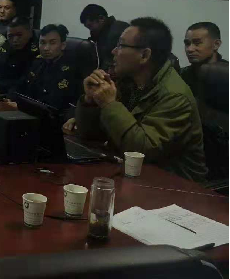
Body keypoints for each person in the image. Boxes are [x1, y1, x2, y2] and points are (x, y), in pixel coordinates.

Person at [70, 17, 206, 182]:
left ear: (144, 55)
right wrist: (90, 102)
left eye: (121, 45)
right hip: (130, 171)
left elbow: (141, 151)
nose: (114, 51)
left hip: (177, 185)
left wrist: (109, 104)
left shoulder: (174, 96)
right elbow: (91, 136)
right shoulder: (127, 81)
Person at [10, 24, 82, 111]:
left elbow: (55, 103)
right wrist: (10, 99)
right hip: (26, 111)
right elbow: (20, 85)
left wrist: (20, 106)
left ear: (63, 45)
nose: (46, 48)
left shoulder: (71, 70)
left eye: (52, 43)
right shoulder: (37, 62)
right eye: (42, 42)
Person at [0, 16, 39, 93]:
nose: (15, 40)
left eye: (19, 35)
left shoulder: (34, 53)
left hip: (10, 92)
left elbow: (23, 83)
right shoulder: (7, 45)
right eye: (10, 36)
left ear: (30, 33)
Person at [181, 22, 227, 97]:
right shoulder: (181, 76)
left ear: (216, 44)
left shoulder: (227, 76)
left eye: (197, 43)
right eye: (187, 43)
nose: (190, 49)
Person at [80, 4, 129, 71]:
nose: (91, 30)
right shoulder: (103, 32)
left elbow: (109, 64)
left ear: (101, 18)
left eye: (90, 26)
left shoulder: (115, 33)